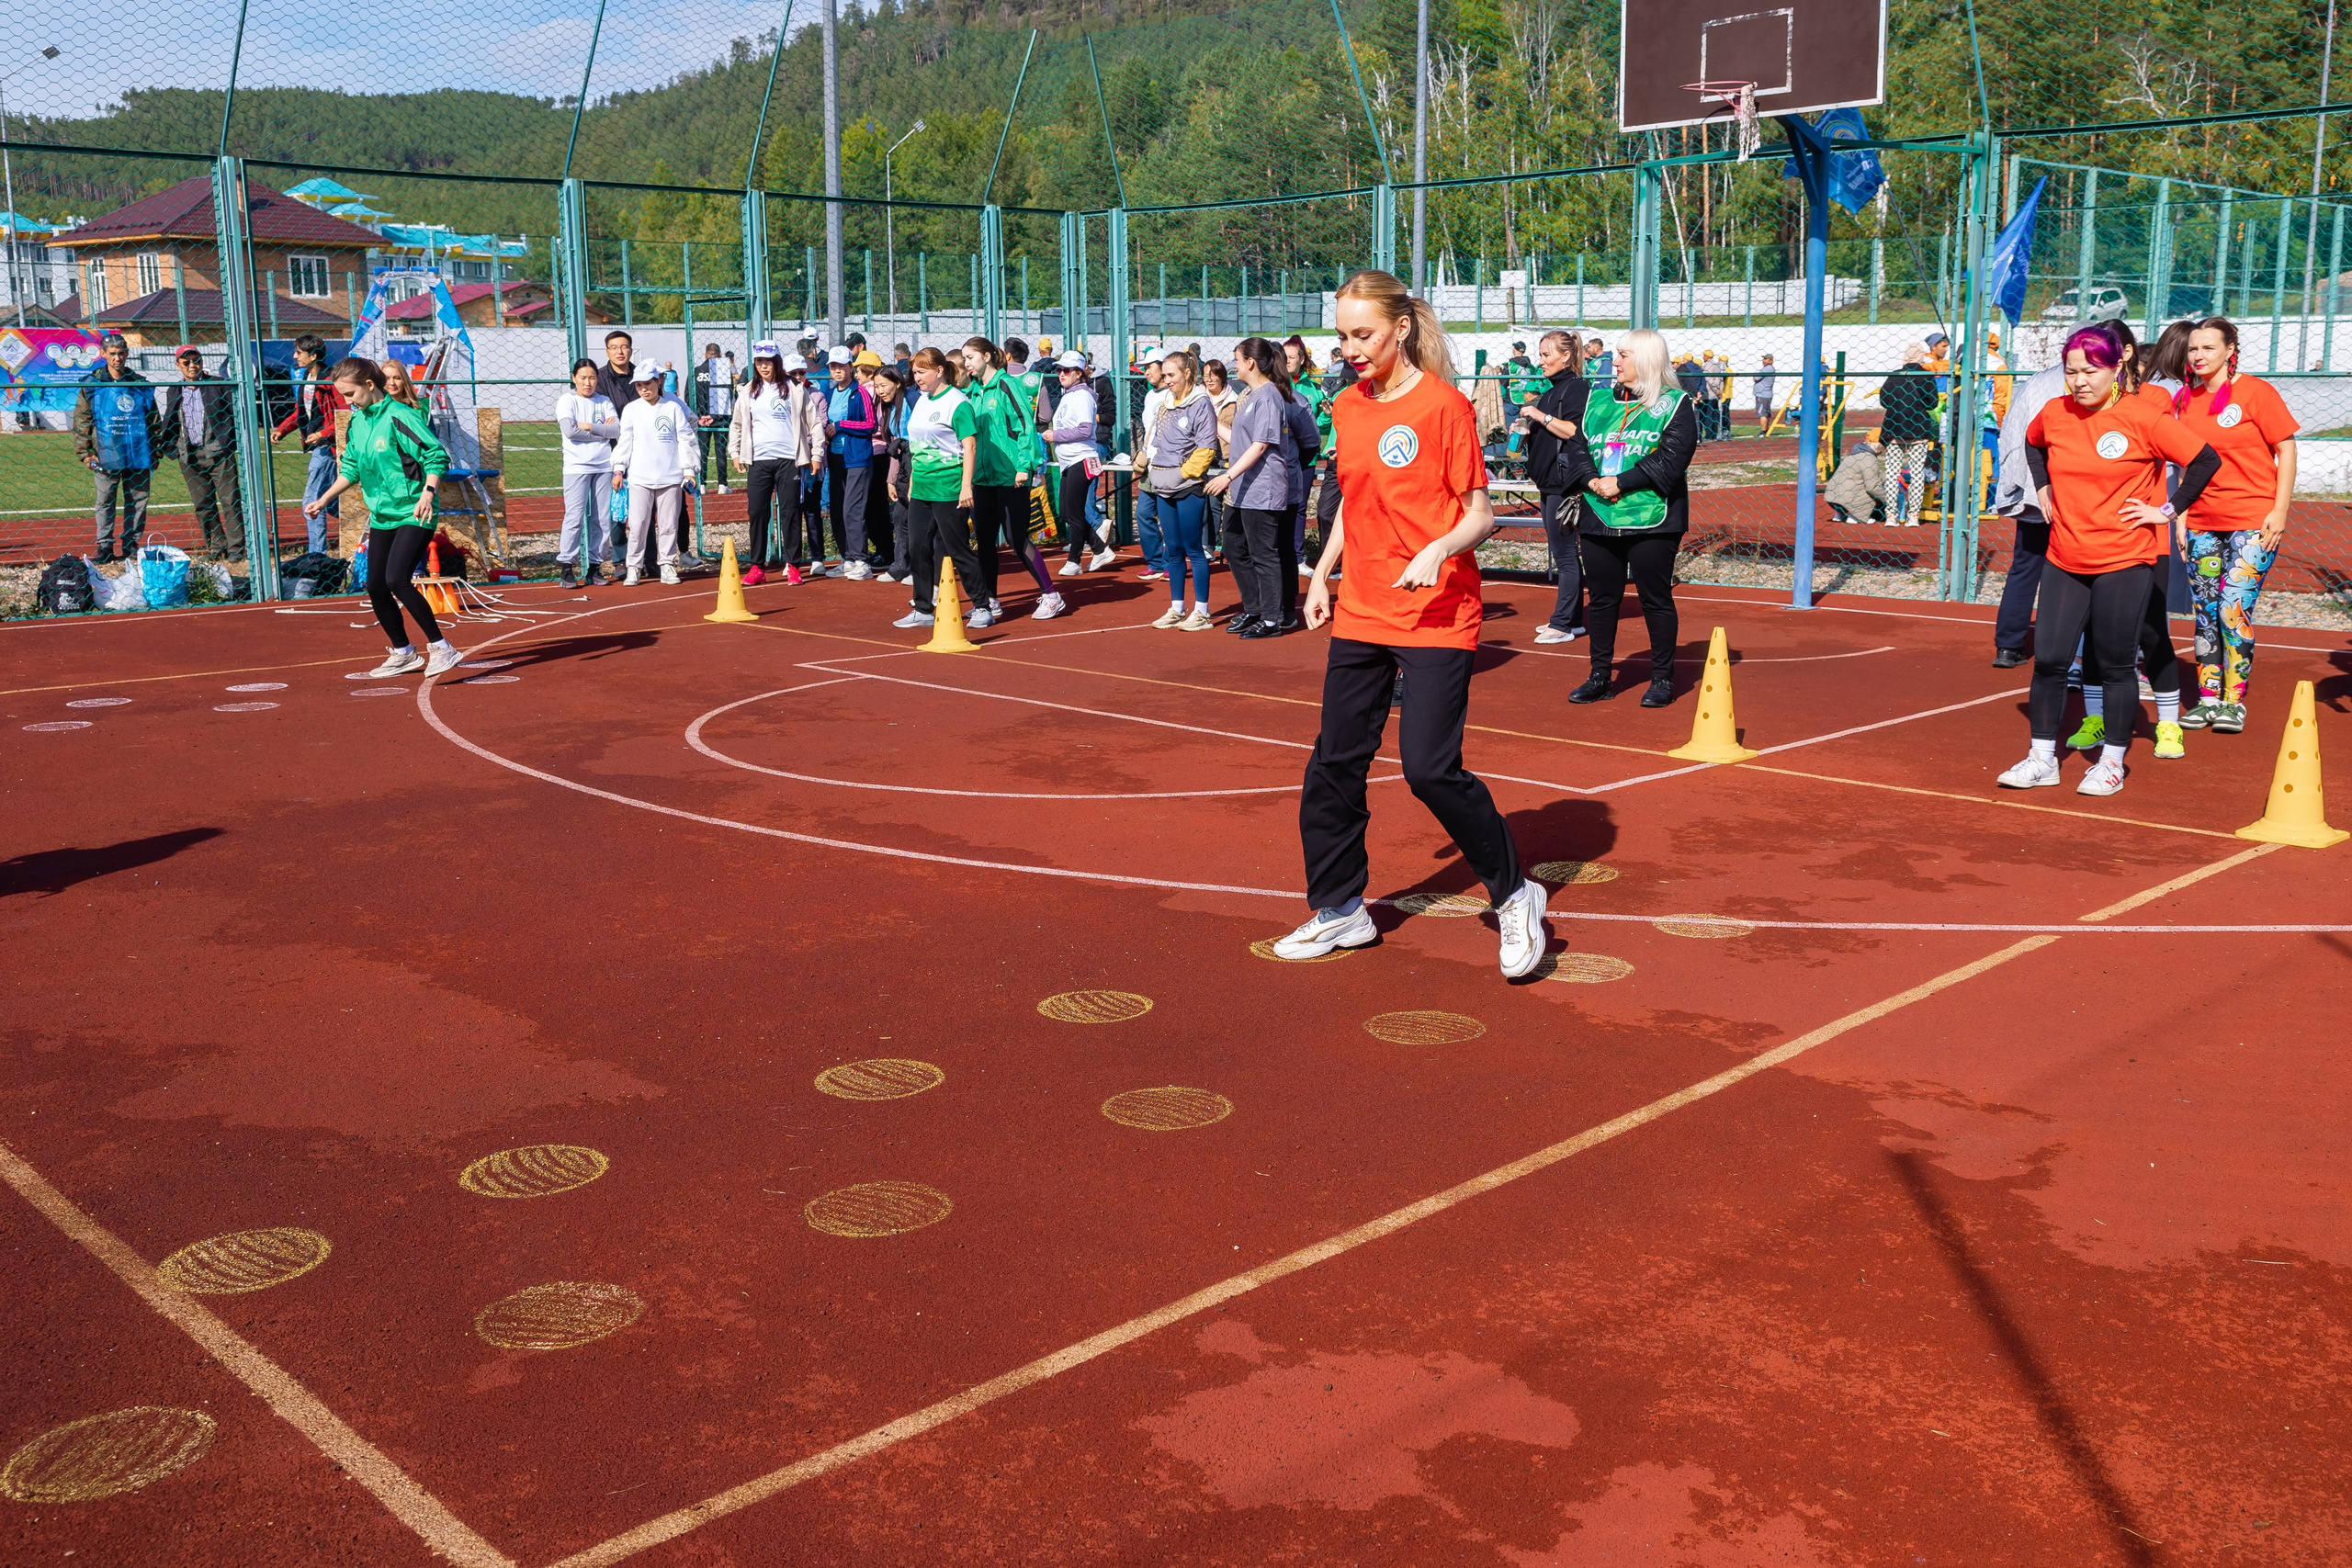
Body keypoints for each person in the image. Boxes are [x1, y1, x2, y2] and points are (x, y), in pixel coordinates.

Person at [1275, 268, 1548, 980]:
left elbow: (1480, 514)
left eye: (1363, 334)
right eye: (1342, 335)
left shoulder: (1444, 407)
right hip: (1363, 608)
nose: (1351, 348)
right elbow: (1353, 500)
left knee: (1429, 768)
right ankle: (1341, 907)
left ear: (1400, 329)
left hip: (1436, 612)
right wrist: (1321, 572)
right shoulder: (1346, 406)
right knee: (1334, 763)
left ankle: (1514, 893)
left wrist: (1438, 548)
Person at [2001, 322, 2217, 795]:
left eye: (2090, 371)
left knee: (2117, 663)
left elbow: (2205, 460)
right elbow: (2033, 445)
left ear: (2117, 367)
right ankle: (2042, 759)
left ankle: (2112, 762)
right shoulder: (2055, 412)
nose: (2079, 381)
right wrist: (2043, 488)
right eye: (2071, 371)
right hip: (2065, 556)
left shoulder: (2143, 416)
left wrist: (2167, 510)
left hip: (2124, 559)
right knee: (2050, 661)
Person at [2169, 317, 2299, 734]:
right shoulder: (2183, 400)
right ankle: (2207, 699)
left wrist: (2280, 510)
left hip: (2252, 521)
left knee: (2232, 609)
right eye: (2193, 348)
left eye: (2208, 348)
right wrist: (2181, 518)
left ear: (2230, 351)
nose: (2199, 355)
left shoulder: (2256, 392)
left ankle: (2232, 702)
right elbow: (2186, 465)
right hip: (2201, 522)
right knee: (2205, 612)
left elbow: (2287, 449)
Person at [302, 356, 459, 678]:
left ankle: (442, 647)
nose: (348, 401)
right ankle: (403, 652)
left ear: (370, 385)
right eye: (343, 396)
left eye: (351, 394)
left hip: (414, 511)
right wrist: (324, 498)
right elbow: (351, 468)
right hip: (382, 514)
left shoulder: (401, 415)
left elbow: (435, 455)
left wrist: (428, 492)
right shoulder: (357, 422)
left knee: (396, 579)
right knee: (374, 584)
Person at [1567, 327, 1697, 708]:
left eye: (1624, 355)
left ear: (1647, 359)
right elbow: (1577, 447)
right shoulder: (1597, 401)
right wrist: (1591, 479)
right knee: (1602, 599)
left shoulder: (1675, 403)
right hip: (1598, 514)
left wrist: (1621, 482)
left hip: (1653, 520)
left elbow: (1672, 458)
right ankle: (1599, 677)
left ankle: (1661, 679)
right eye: (1616, 354)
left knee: (1655, 599)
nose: (1615, 362)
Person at [957, 336, 1063, 623]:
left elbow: (1025, 425)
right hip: (983, 477)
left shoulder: (1006, 385)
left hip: (1010, 476)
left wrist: (1024, 465)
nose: (967, 363)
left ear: (987, 356)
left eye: (970, 357)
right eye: (964, 358)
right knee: (984, 540)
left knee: (1016, 538)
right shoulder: (974, 392)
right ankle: (990, 600)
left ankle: (1051, 594)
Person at [1204, 336, 1298, 638]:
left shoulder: (1268, 397)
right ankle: (1254, 607)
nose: (1233, 365)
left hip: (1261, 487)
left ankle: (1272, 619)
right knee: (1233, 547)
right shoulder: (1249, 395)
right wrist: (1209, 419)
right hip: (1242, 488)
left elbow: (1260, 446)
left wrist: (1227, 476)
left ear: (1251, 363)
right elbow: (1241, 440)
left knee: (1263, 553)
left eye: (1236, 359)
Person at [893, 346, 988, 630]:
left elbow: (970, 446)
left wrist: (966, 486)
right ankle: (923, 608)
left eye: (922, 372)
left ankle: (982, 606)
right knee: (917, 547)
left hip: (949, 488)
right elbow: (916, 446)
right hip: (922, 488)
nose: (917, 377)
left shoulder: (957, 403)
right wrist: (912, 481)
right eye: (914, 372)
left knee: (957, 550)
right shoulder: (922, 401)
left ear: (939, 371)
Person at [1990, 359, 2069, 666]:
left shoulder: (2036, 381)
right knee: (2069, 571)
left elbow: (2012, 431)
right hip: (2070, 490)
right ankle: (2057, 649)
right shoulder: (2100, 379)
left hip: (2034, 487)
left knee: (2026, 566)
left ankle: (2008, 646)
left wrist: (2016, 481)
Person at [728, 341, 827, 586]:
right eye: (759, 362)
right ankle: (757, 567)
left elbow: (814, 422)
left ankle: (793, 566)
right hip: (759, 460)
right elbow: (737, 424)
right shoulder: (747, 390)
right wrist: (735, 452)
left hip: (789, 460)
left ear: (777, 362)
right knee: (757, 513)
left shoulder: (795, 388)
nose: (764, 366)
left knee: (790, 512)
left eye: (768, 362)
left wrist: (816, 454)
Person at [1515, 329, 1591, 644]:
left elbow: (1574, 431)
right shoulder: (1553, 390)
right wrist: (1528, 426)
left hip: (1564, 483)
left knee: (1565, 554)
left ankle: (1562, 624)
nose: (1542, 361)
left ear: (1566, 356)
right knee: (1563, 552)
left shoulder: (1576, 388)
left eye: (1547, 355)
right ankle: (1571, 620)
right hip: (1549, 482)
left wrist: (1539, 416)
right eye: (1541, 355)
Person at [1144, 348, 1220, 629]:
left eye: (1171, 375)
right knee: (1173, 549)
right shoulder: (1165, 403)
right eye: (1164, 375)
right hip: (1164, 486)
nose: (1167, 380)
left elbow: (1206, 448)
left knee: (1194, 549)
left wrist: (1182, 473)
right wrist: (1148, 461)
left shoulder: (1201, 403)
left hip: (1188, 488)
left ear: (1187, 374)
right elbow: (1156, 441)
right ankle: (1177, 607)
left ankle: (1202, 611)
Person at [73, 332, 161, 563]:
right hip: (105, 453)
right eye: (112, 353)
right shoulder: (91, 384)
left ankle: (131, 544)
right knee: (105, 501)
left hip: (138, 453)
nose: (117, 358)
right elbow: (82, 419)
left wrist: (156, 451)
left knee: (138, 500)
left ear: (127, 353)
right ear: (103, 354)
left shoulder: (139, 383)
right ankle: (105, 546)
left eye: (121, 353)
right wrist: (85, 453)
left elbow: (153, 419)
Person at [613, 362, 699, 586]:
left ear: (658, 382)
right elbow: (625, 440)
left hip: (670, 476)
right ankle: (634, 567)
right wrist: (619, 469)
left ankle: (667, 564)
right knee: (638, 524)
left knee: (669, 524)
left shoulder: (673, 407)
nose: (644, 389)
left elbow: (686, 438)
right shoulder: (631, 410)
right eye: (639, 385)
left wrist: (689, 470)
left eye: (648, 384)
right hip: (639, 477)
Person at [159, 346, 245, 561]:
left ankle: (236, 548)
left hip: (218, 454)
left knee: (230, 501)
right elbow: (171, 420)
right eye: (186, 362)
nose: (192, 366)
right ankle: (216, 546)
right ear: (178, 365)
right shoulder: (174, 390)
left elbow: (235, 415)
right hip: (190, 456)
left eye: (196, 361)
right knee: (202, 504)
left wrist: (227, 444)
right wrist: (174, 449)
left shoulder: (218, 384)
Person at [1045, 350, 1115, 575]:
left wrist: (1056, 435)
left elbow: (1085, 429)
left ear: (1079, 373)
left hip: (1082, 458)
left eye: (1066, 370)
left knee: (1074, 512)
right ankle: (1099, 548)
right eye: (1059, 370)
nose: (1061, 374)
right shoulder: (1069, 395)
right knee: (1066, 511)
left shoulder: (1083, 396)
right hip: (1070, 461)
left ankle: (1074, 561)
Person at [273, 333, 346, 553]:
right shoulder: (306, 377)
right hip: (319, 446)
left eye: (299, 353)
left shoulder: (331, 380)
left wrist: (323, 433)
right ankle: (365, 525)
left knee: (311, 501)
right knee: (330, 501)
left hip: (328, 447)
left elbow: (345, 416)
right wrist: (282, 429)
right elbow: (301, 412)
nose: (295, 357)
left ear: (314, 356)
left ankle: (317, 554)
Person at [555, 357, 620, 589]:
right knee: (574, 517)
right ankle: (566, 567)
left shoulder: (604, 401)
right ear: (574, 378)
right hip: (577, 467)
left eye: (592, 378)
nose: (588, 383)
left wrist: (591, 427)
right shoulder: (567, 400)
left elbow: (616, 430)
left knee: (602, 519)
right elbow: (570, 431)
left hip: (604, 466)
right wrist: (602, 433)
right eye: (583, 377)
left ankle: (595, 567)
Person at [1876, 344, 1941, 527]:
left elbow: (1884, 400)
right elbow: (1933, 402)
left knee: (1892, 473)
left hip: (1895, 429)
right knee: (1917, 473)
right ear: (1921, 357)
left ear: (1905, 357)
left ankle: (1891, 515)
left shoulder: (1894, 375)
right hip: (1918, 428)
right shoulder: (1926, 376)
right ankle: (1913, 516)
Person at [1132, 344, 1172, 582]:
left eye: (1150, 367)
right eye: (1144, 368)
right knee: (1143, 514)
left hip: (1169, 465)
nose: (1146, 372)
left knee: (1168, 518)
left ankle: (1171, 563)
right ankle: (1155, 562)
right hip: (1150, 466)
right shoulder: (1149, 396)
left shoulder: (1174, 394)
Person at [865, 357, 907, 581]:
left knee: (908, 517)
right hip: (901, 464)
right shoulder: (889, 408)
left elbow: (907, 443)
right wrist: (891, 480)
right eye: (877, 386)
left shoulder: (909, 402)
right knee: (900, 516)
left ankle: (916, 567)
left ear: (897, 383)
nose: (879, 390)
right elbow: (895, 446)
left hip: (918, 464)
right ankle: (903, 565)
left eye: (883, 385)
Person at [693, 343, 737, 494]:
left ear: (705, 354)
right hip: (719, 419)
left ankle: (702, 484)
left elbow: (689, 395)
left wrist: (699, 416)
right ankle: (722, 485)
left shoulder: (696, 371)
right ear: (719, 355)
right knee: (720, 451)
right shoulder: (722, 370)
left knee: (702, 451)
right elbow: (727, 396)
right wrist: (714, 416)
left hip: (701, 420)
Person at [1751, 355, 1777, 434]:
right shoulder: (1769, 368)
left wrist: (1755, 377)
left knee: (1762, 413)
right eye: (1763, 359)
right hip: (1765, 394)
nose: (1764, 360)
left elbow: (1756, 378)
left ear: (1771, 361)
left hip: (1763, 394)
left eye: (1766, 359)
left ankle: (1763, 431)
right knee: (1765, 413)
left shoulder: (1767, 368)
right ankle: (1766, 430)